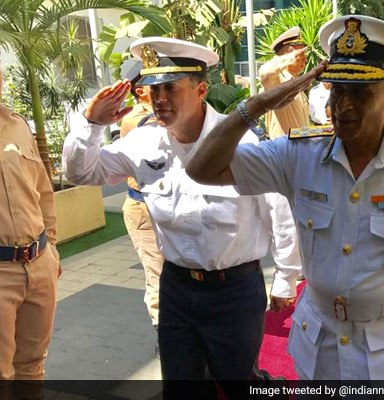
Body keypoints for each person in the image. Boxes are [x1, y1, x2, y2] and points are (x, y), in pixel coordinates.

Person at [186, 15, 384, 395]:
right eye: (337, 90)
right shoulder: (298, 154)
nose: (343, 106)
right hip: (320, 346)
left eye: (360, 93)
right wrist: (256, 105)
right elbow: (201, 169)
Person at [62, 37, 301, 398]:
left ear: (201, 89)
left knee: (240, 384)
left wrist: (286, 277)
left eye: (171, 88)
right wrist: (90, 125)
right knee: (182, 386)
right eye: (153, 89)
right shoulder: (144, 143)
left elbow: (280, 211)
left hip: (233, 289)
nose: (159, 99)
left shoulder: (243, 144)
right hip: (176, 287)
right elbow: (82, 174)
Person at [0, 60, 60, 398]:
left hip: (38, 265)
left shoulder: (18, 124)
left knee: (33, 364)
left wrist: (50, 247)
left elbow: (42, 190)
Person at [118, 61, 164, 353]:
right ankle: (166, 344)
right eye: (156, 84)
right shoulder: (138, 118)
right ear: (140, 91)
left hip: (160, 207)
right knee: (158, 278)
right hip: (144, 209)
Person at [259, 26, 309, 138]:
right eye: (300, 55)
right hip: (282, 152)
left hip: (300, 150)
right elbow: (264, 73)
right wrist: (287, 59)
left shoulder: (295, 83)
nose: (305, 59)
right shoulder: (277, 82)